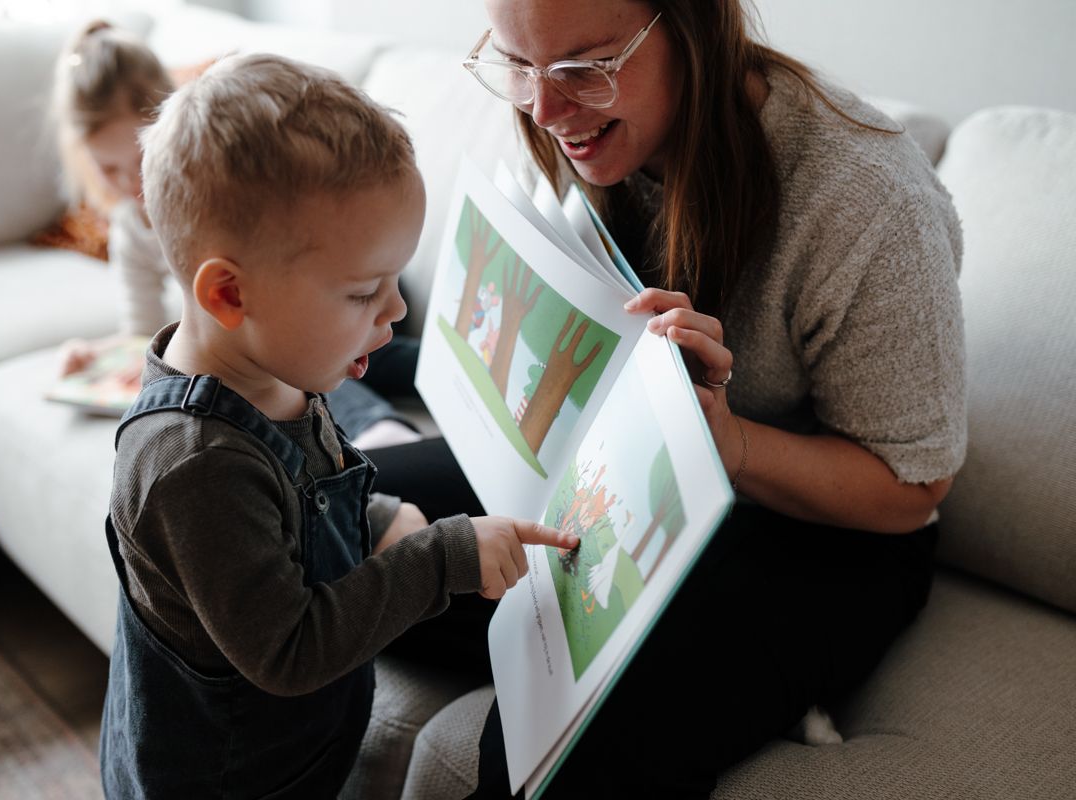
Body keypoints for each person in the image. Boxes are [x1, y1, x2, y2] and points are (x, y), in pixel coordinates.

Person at [370, 0, 966, 796]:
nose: (545, 110)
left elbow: (914, 486)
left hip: (820, 534)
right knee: (320, 522)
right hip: (618, 469)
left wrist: (728, 442)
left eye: (586, 67)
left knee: (548, 755)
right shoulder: (567, 120)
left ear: (693, 25)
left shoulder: (867, 198)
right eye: (518, 65)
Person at [96, 52, 578, 799]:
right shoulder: (193, 464)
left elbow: (299, 501)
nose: (397, 310)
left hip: (299, 759)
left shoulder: (277, 367)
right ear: (230, 295)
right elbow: (290, 649)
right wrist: (439, 558)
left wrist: (376, 517)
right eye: (363, 292)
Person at [49, 21, 418, 447]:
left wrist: (365, 291)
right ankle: (380, 414)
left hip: (347, 279)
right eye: (108, 168)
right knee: (283, 349)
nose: (130, 182)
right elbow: (143, 330)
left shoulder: (235, 189)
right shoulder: (130, 231)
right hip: (309, 312)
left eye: (138, 159)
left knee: (289, 348)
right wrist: (97, 355)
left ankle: (379, 415)